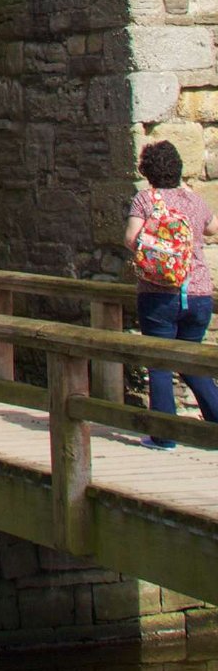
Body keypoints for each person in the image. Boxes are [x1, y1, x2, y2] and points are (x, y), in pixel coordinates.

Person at [125, 139, 218, 447]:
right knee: (192, 360)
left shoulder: (144, 199)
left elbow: (130, 239)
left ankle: (163, 437)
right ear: (178, 168)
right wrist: (192, 199)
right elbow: (212, 228)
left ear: (147, 170)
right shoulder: (193, 201)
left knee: (161, 363)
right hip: (199, 293)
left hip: (158, 293)